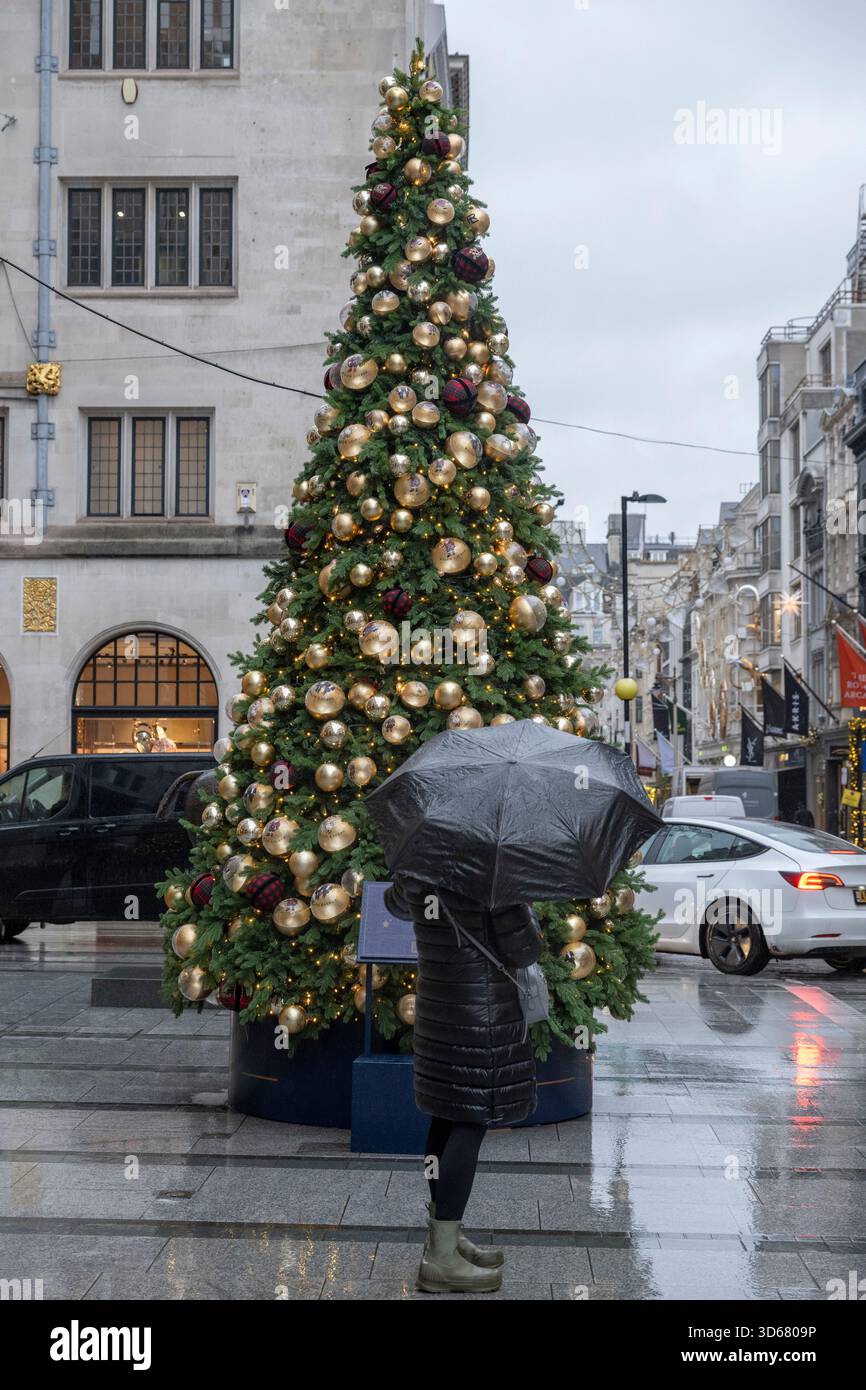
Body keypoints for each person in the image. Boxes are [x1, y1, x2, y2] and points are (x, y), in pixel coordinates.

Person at [384, 877, 543, 1294]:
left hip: (439, 1010)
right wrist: (522, 904)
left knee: (446, 1115)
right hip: (482, 1016)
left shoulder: (419, 864)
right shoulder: (490, 874)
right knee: (471, 1123)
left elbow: (396, 903)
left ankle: (444, 1237)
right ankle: (441, 1258)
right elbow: (525, 948)